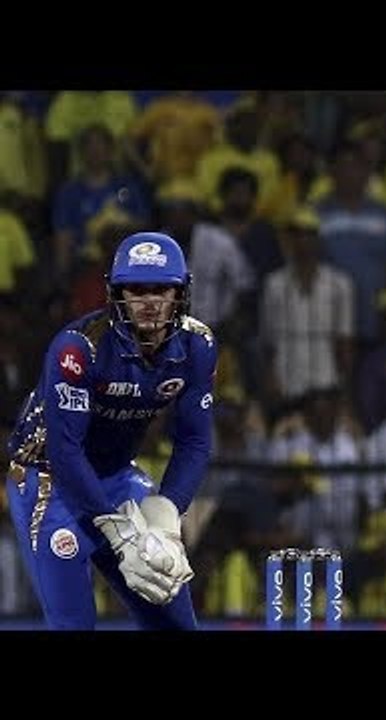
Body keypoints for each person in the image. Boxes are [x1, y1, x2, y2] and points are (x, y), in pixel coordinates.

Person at [4, 231, 218, 630]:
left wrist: (166, 514)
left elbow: (194, 440)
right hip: (49, 483)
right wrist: (117, 531)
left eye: (161, 290)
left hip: (118, 476)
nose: (150, 302)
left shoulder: (198, 345)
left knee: (174, 618)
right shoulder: (78, 348)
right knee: (74, 624)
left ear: (180, 293)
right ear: (116, 293)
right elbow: (65, 450)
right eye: (137, 290)